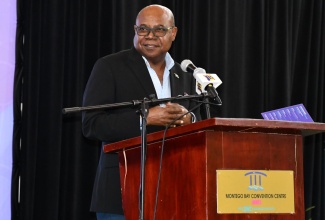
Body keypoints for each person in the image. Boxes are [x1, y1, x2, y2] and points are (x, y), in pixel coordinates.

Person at [82, 4, 201, 220]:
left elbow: (200, 122)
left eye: (159, 30)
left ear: (173, 33)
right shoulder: (110, 67)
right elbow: (92, 124)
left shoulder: (185, 74)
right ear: (134, 31)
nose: (150, 36)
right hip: (122, 191)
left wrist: (189, 119)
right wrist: (144, 119)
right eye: (143, 29)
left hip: (176, 191)